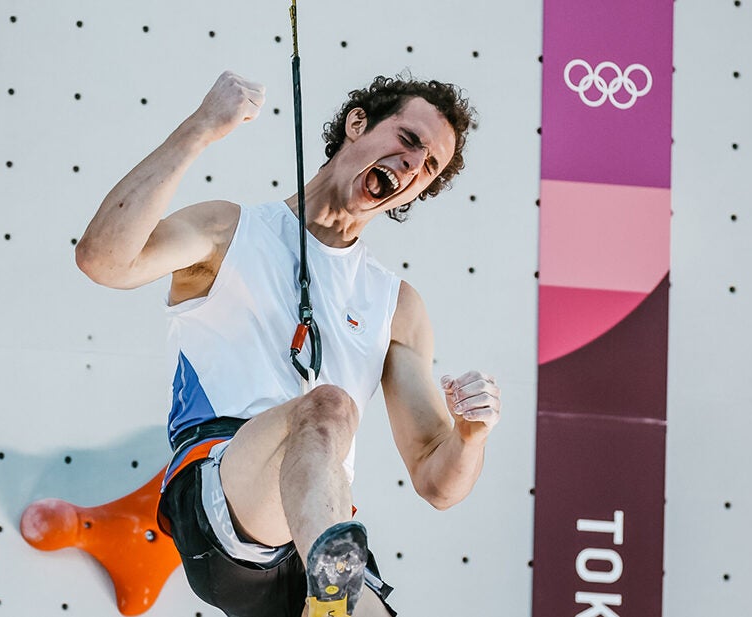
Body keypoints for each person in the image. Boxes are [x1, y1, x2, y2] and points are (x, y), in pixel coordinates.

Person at [75, 70, 502, 617]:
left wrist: (470, 436)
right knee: (327, 408)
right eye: (408, 139)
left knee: (329, 434)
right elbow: (102, 260)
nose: (412, 166)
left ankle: (329, 596)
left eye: (429, 167)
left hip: (313, 538)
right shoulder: (231, 230)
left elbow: (438, 482)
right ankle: (333, 593)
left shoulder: (397, 305)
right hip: (220, 489)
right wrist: (201, 127)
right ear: (357, 125)